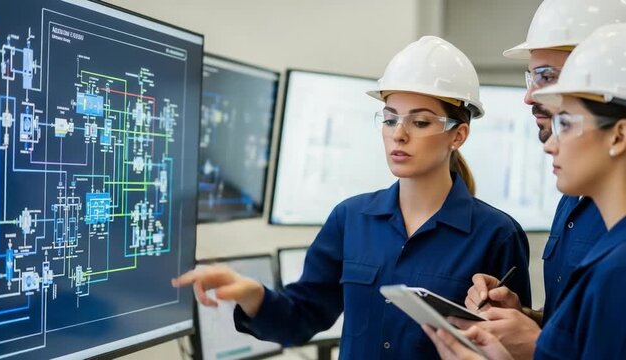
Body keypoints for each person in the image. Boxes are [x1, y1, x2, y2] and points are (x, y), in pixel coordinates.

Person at [172, 36, 532, 359]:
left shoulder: (497, 234)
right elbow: (300, 318)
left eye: (419, 122)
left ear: (458, 135)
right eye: (390, 120)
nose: (399, 135)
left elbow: (511, 346)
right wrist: (251, 293)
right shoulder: (351, 218)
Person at [426, 22, 626, 359]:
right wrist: (529, 325)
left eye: (567, 122)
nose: (550, 145)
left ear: (618, 135)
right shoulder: (580, 213)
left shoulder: (617, 265)